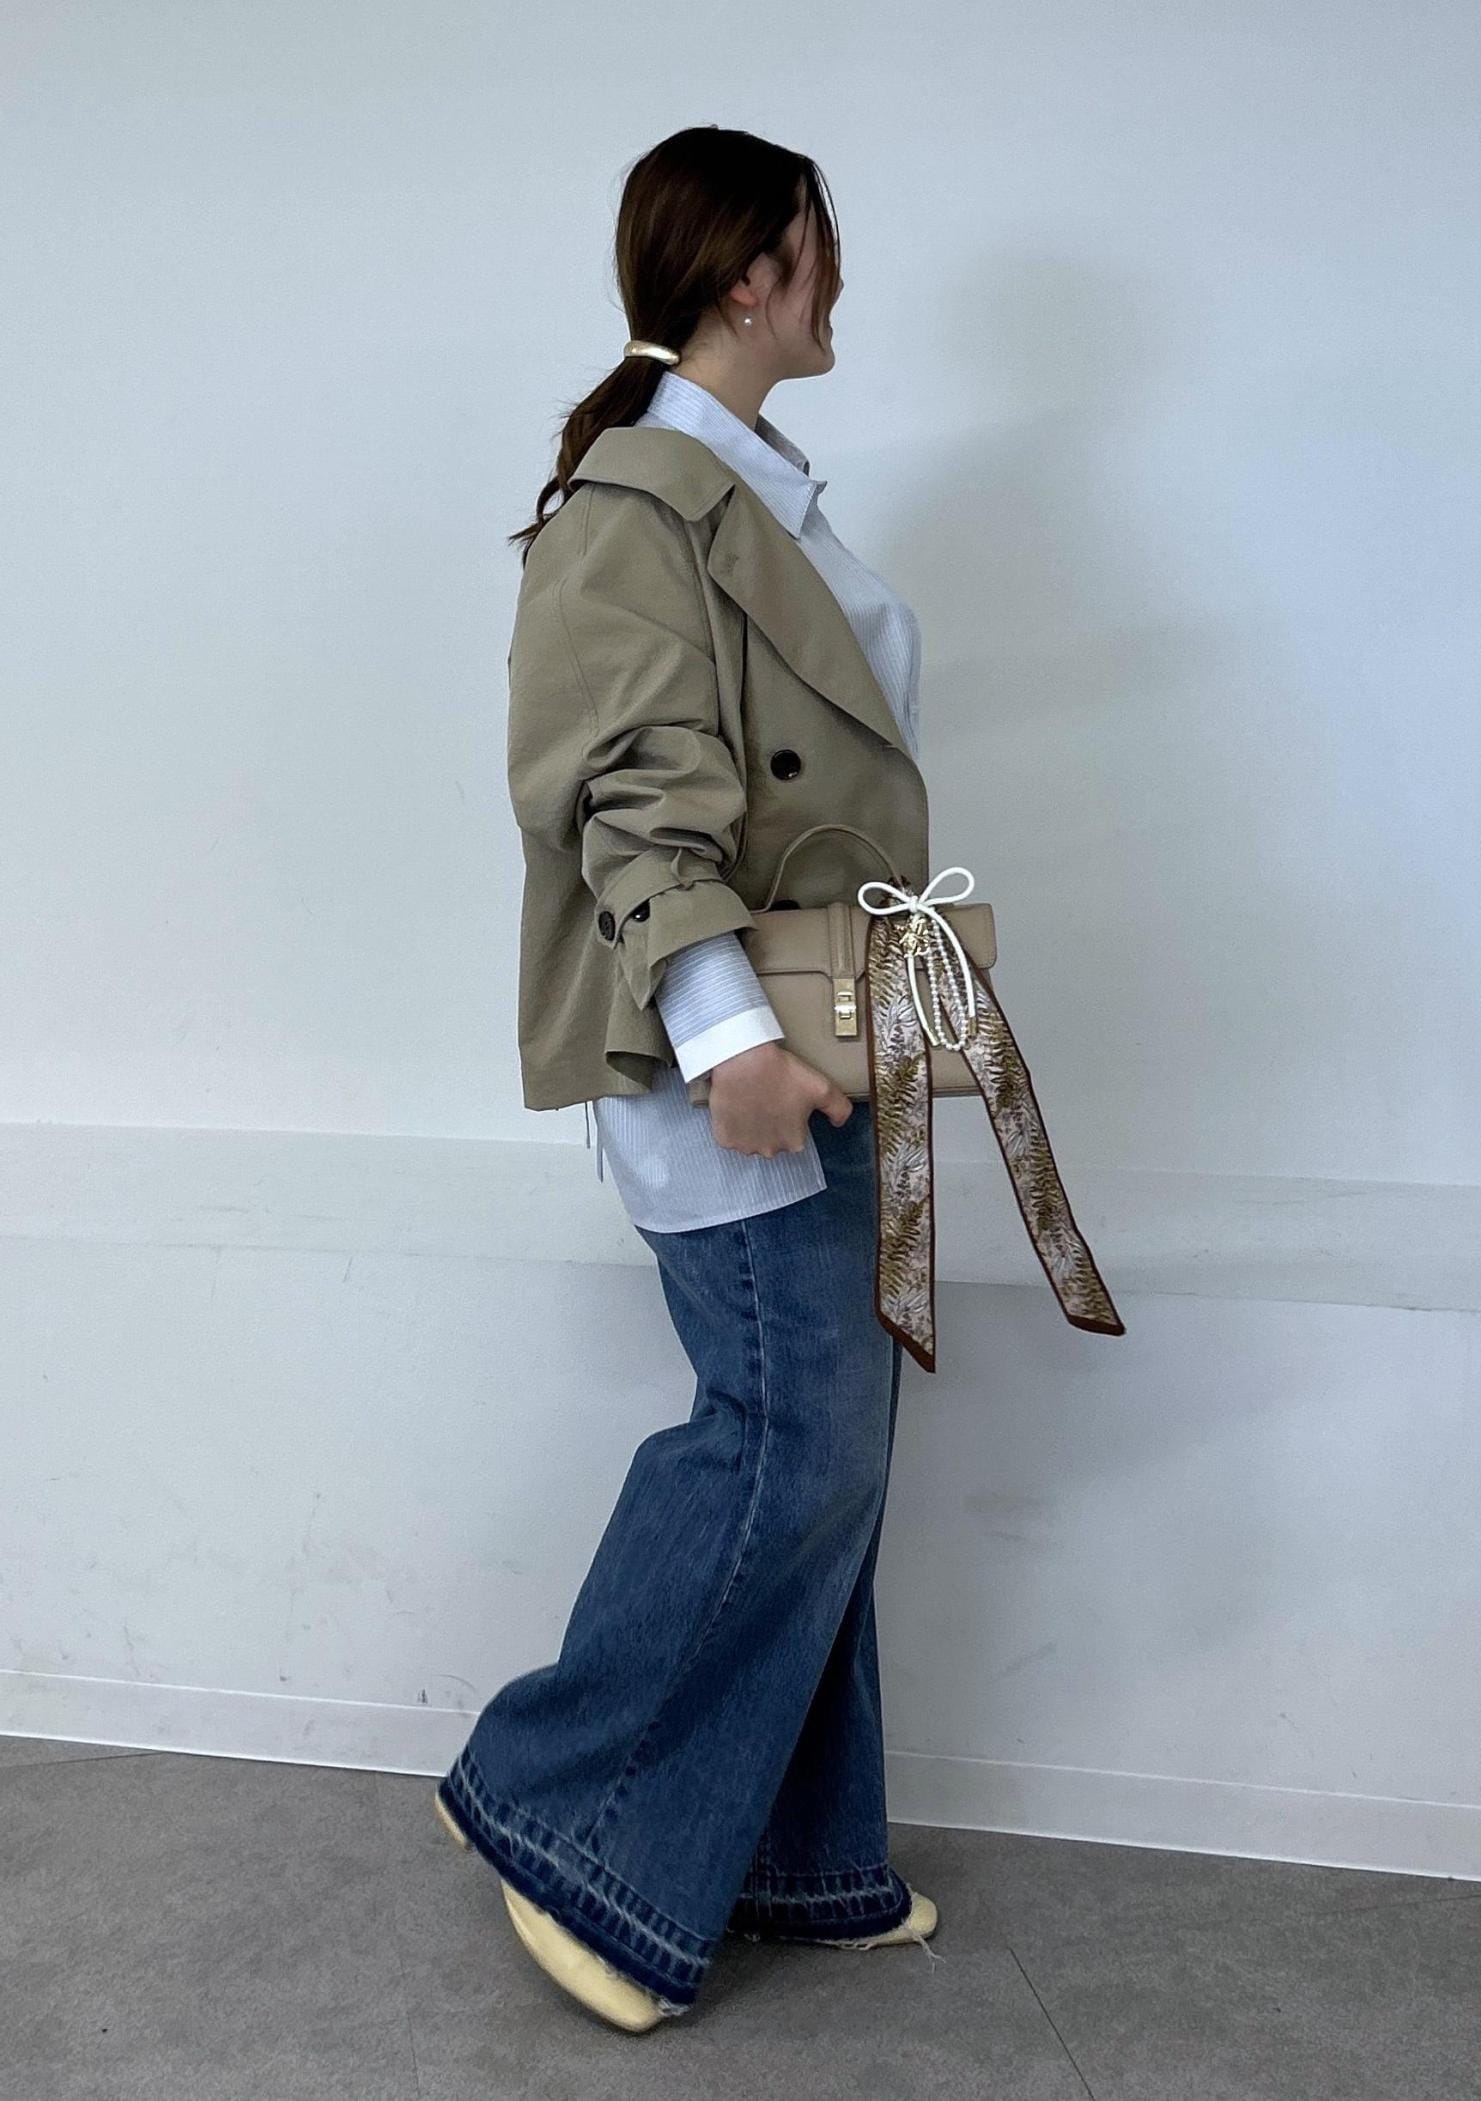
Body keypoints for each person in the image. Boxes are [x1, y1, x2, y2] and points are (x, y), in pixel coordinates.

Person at [434, 124, 940, 2032]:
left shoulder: (753, 492)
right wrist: (730, 1042)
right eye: (821, 243)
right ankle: (563, 1811)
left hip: (828, 1024)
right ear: (749, 274)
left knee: (835, 1448)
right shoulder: (637, 506)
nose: (838, 276)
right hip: (727, 1041)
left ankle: (793, 1850)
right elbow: (626, 798)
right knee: (782, 1435)